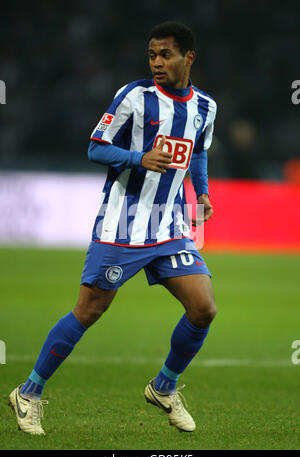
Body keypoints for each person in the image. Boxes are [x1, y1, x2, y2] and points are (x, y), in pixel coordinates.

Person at [9, 21, 217, 435]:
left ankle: (164, 386)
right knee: (89, 310)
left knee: (204, 308)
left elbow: (197, 154)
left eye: (166, 55)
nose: (157, 62)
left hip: (170, 223)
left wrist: (203, 194)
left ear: (188, 57)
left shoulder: (206, 107)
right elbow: (95, 146)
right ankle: (28, 392)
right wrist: (140, 159)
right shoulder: (134, 97)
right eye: (152, 55)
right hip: (123, 224)